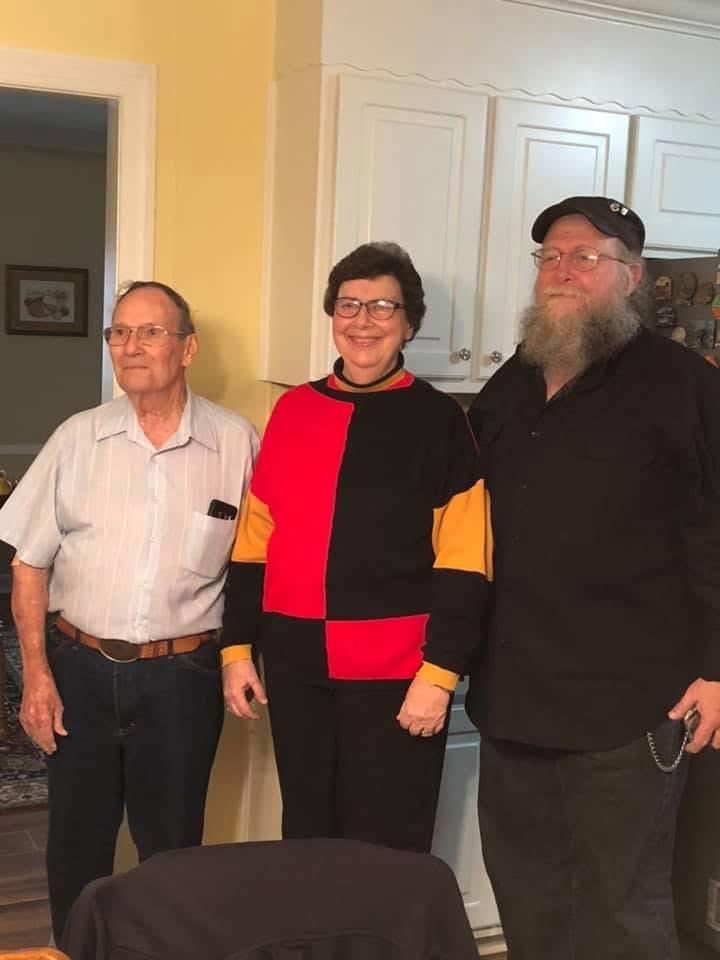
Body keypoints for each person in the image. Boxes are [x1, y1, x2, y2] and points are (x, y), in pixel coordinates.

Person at [466, 196, 720, 960]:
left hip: (628, 707)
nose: (562, 271)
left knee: (622, 911)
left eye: (586, 255)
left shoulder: (685, 387)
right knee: (528, 895)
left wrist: (717, 668)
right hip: (512, 699)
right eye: (549, 256)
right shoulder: (513, 380)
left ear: (633, 276)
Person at [0, 281, 258, 941]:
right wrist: (35, 674)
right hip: (78, 669)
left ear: (188, 347)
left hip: (183, 677)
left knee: (172, 850)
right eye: (120, 332)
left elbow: (257, 566)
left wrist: (240, 656)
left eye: (150, 332)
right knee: (76, 847)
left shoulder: (236, 443)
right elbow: (28, 564)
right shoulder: (76, 440)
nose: (131, 346)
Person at [221, 242, 492, 852]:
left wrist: (441, 674)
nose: (362, 321)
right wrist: (236, 648)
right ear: (331, 315)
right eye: (348, 305)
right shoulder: (292, 410)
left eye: (382, 307)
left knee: (390, 842)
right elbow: (253, 545)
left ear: (410, 323)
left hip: (399, 671)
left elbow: (465, 561)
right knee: (309, 832)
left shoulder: (440, 419)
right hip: (296, 662)